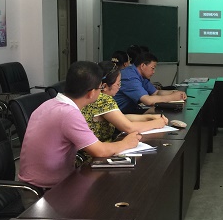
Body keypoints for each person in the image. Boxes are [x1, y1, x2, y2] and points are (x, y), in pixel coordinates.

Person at [18, 61, 142, 189]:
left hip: (37, 183)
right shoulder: (68, 114)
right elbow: (100, 151)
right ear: (91, 93)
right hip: (49, 189)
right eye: (100, 88)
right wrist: (126, 143)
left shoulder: (48, 104)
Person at [82, 61, 168, 141]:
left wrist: (148, 117)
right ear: (104, 86)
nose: (119, 87)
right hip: (101, 148)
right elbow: (129, 127)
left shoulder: (91, 96)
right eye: (118, 84)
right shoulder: (104, 100)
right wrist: (156, 123)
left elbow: (121, 118)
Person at [115, 51, 187, 113]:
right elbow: (148, 100)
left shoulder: (141, 75)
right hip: (119, 115)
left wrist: (176, 93)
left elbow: (156, 92)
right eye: (152, 68)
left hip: (129, 110)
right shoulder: (130, 77)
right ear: (142, 66)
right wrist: (172, 97)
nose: (153, 72)